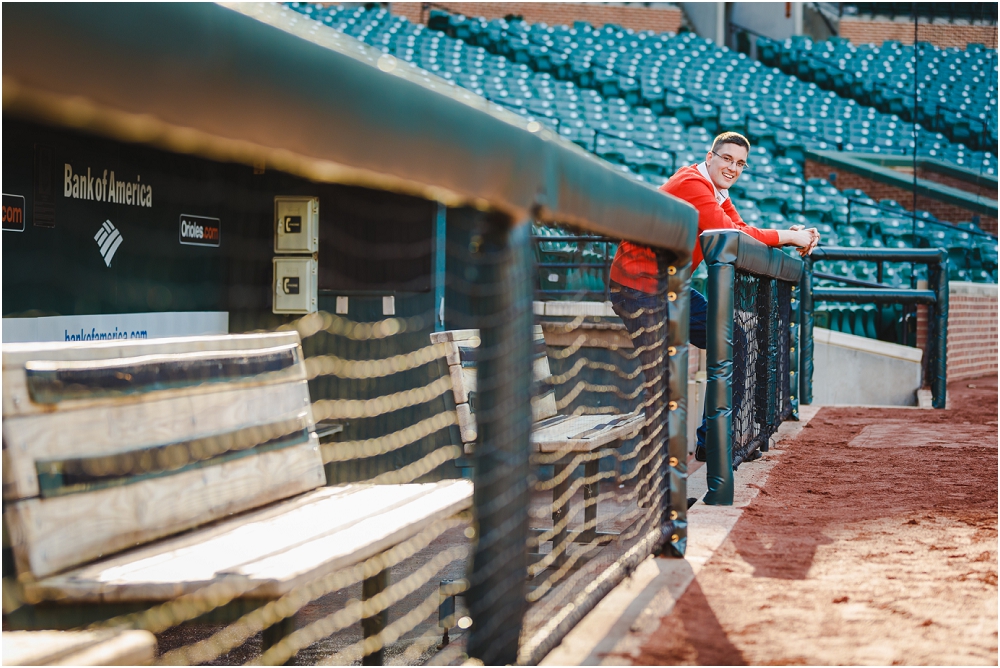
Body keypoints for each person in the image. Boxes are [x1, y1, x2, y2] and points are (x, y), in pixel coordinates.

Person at [609, 131, 818, 467]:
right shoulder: (692, 183)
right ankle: (652, 479)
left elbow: (742, 229)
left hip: (668, 287)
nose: (733, 168)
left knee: (733, 337)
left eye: (740, 163)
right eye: (727, 159)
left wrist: (789, 236)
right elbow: (730, 233)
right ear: (710, 157)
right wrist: (790, 236)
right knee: (663, 378)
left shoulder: (717, 192)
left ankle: (712, 443)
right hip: (638, 287)